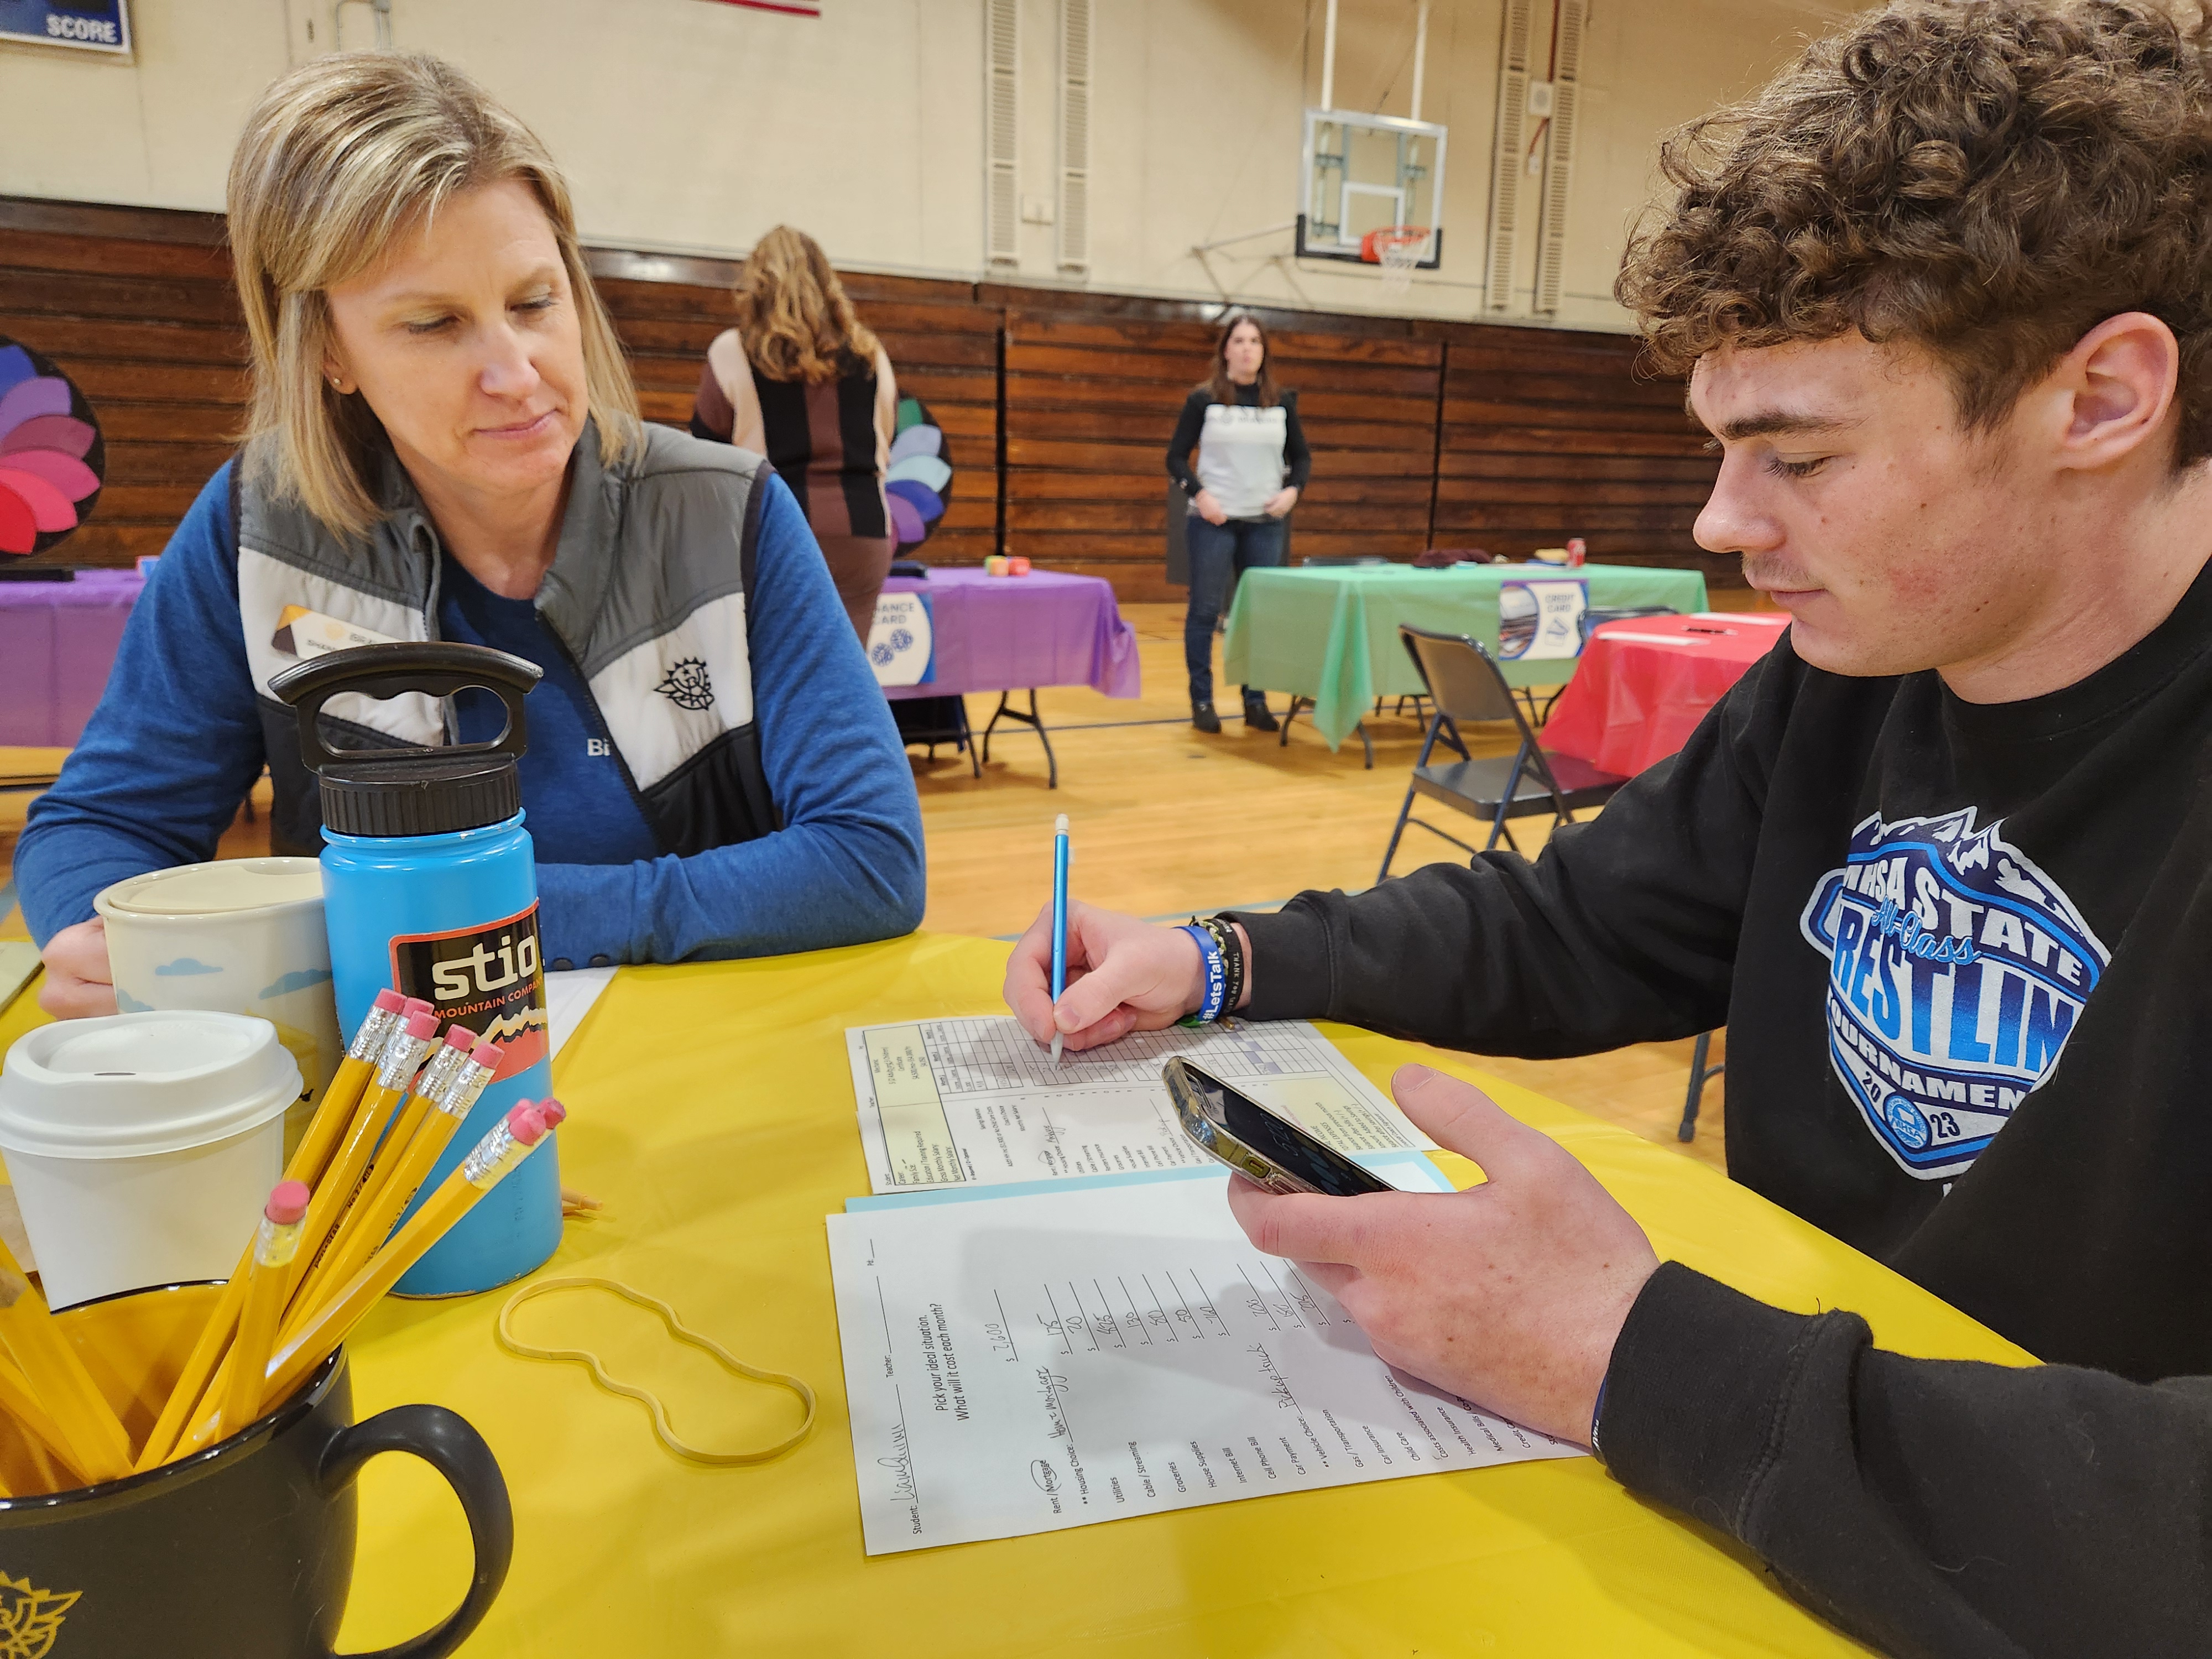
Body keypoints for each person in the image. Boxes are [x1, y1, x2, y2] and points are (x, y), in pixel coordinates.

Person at [1007, 3, 2212, 1652]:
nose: (1720, 525)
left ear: (2099, 401)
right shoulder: (1856, 669)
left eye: (1794, 453)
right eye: (1724, 449)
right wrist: (1222, 956)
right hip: (1781, 1483)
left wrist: (1624, 1351)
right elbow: (1577, 922)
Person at [17, 53, 925, 1018]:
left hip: (698, 1060)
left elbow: (869, 858)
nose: (517, 372)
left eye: (535, 302)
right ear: (328, 352)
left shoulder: (728, 512)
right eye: (435, 324)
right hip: (384, 1102)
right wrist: (94, 933)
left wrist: (477, 928)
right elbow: (103, 823)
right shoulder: (258, 520)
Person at [690, 226, 899, 641]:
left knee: (777, 682)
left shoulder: (732, 351)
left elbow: (703, 455)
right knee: (849, 681)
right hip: (865, 536)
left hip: (777, 534)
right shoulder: (871, 352)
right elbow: (886, 436)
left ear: (756, 285)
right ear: (828, 283)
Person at [1165, 312, 1310, 734]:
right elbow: (1175, 457)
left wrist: (1293, 491)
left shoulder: (1282, 402)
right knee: (1206, 611)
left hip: (1265, 523)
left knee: (1257, 615)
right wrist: (1201, 495)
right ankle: (1203, 700)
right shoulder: (1203, 400)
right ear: (1226, 350)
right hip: (1214, 521)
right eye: (1240, 341)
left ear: (1264, 352)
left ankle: (1256, 700)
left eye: (1255, 342)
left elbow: (1301, 457)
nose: (1248, 348)